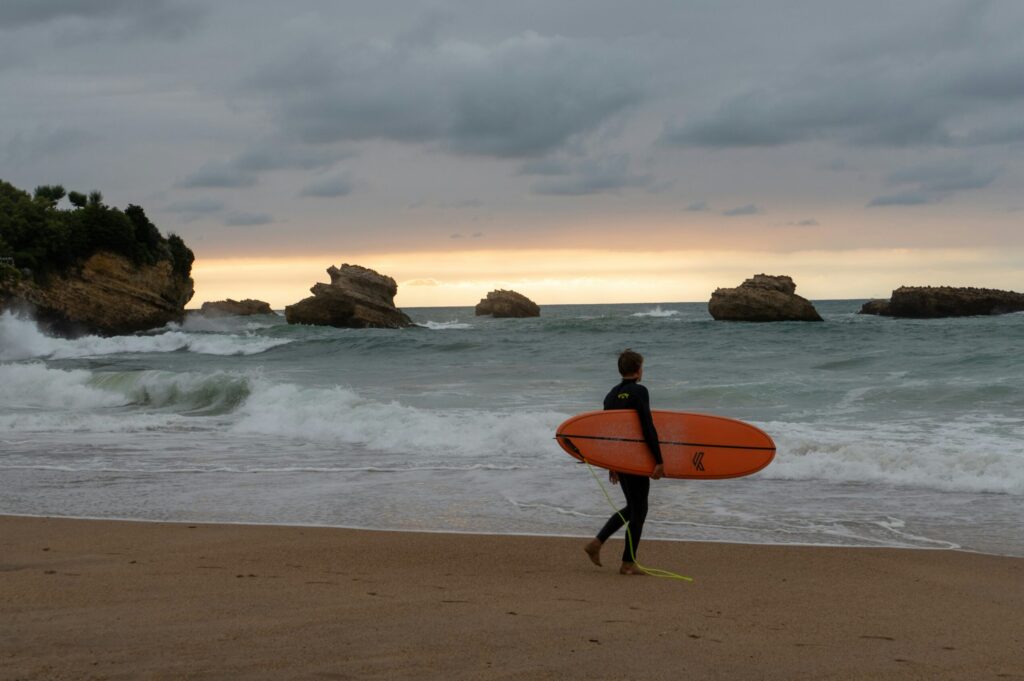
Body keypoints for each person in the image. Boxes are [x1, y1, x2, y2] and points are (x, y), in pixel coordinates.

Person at [584, 349, 664, 575]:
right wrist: (659, 460)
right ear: (639, 369)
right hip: (636, 458)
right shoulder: (639, 391)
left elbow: (608, 431)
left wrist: (611, 463)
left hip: (620, 458)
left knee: (634, 507)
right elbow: (648, 427)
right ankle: (627, 562)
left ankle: (597, 544)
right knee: (639, 509)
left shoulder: (610, 395)